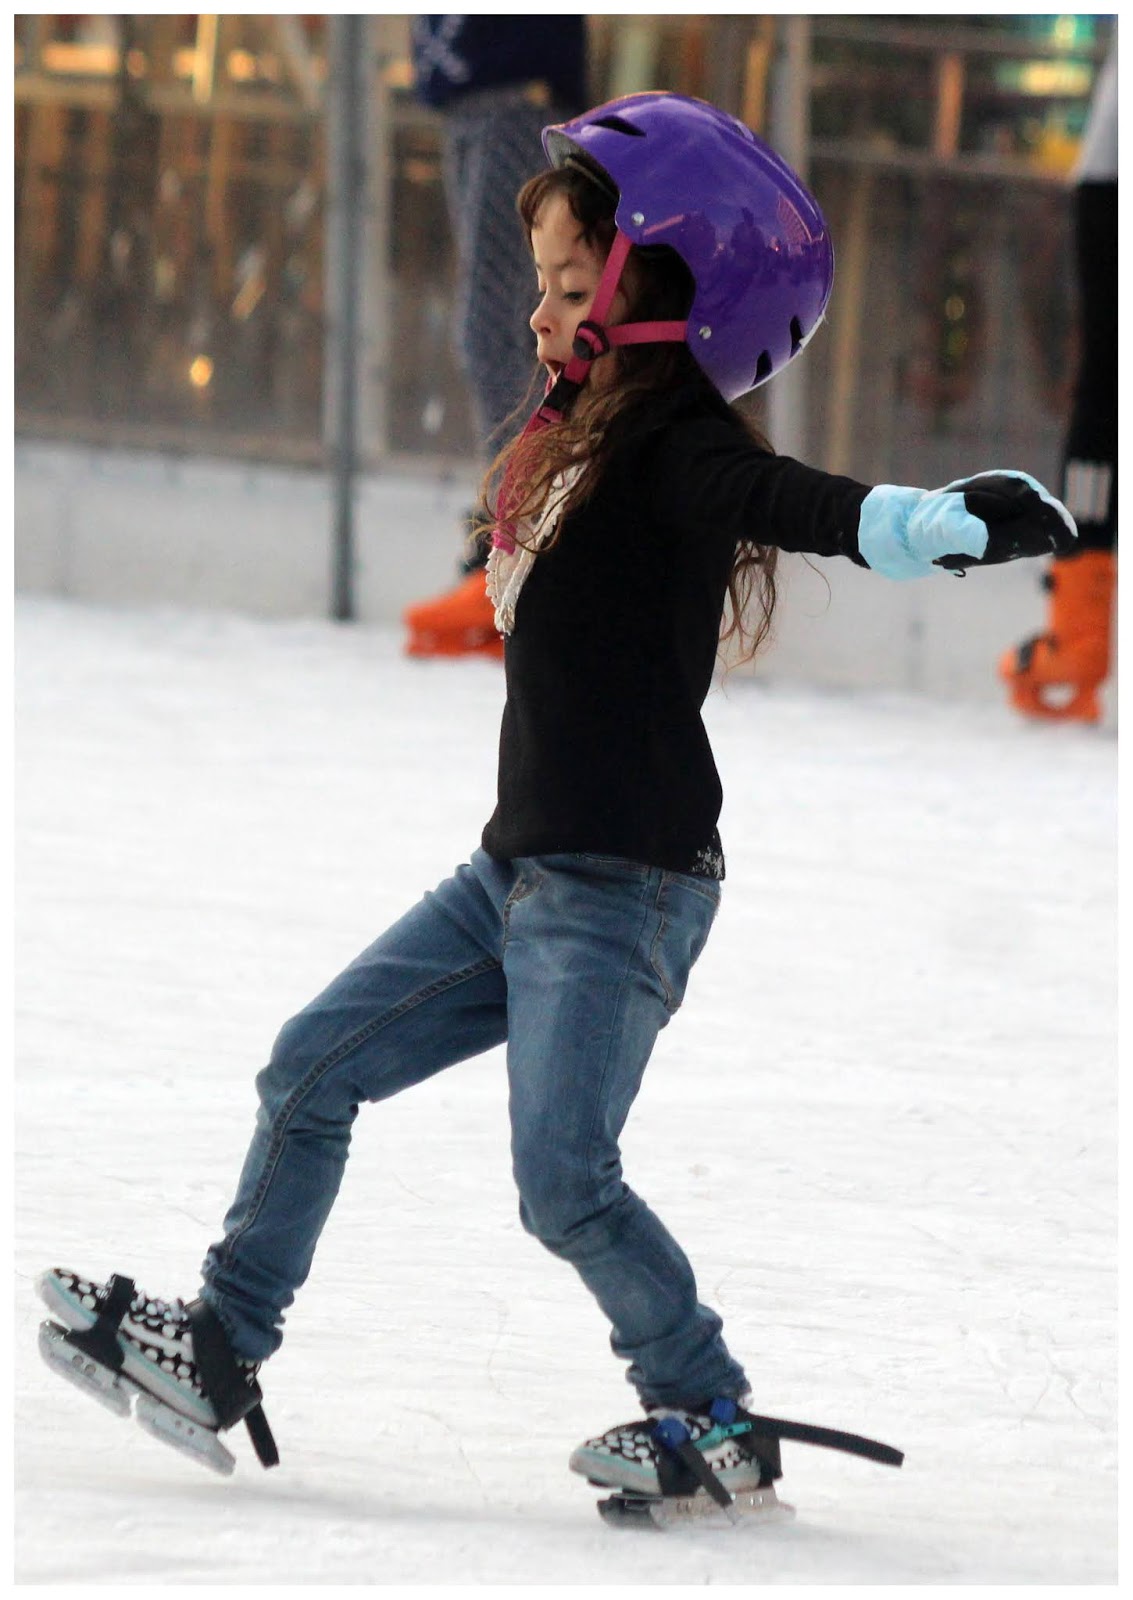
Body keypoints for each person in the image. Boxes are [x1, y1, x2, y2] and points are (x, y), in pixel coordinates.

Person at [38, 93, 1075, 1515]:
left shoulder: (675, 449)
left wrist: (925, 522)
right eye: (540, 287)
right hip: (511, 878)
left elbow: (790, 496)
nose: (540, 315)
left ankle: (705, 1410)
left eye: (571, 285)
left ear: (656, 290)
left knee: (563, 1181)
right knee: (309, 1069)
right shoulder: (576, 440)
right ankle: (221, 1347)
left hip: (625, 889)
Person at [402, 16, 587, 661]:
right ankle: (516, 531)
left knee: (509, 324)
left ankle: (520, 536)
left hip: (516, 93)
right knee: (504, 322)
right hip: (476, 95)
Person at [1000, 26, 1117, 723]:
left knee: (1105, 382)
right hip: (1113, 178)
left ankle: (1079, 632)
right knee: (1105, 383)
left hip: (1107, 174)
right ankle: (1079, 631)